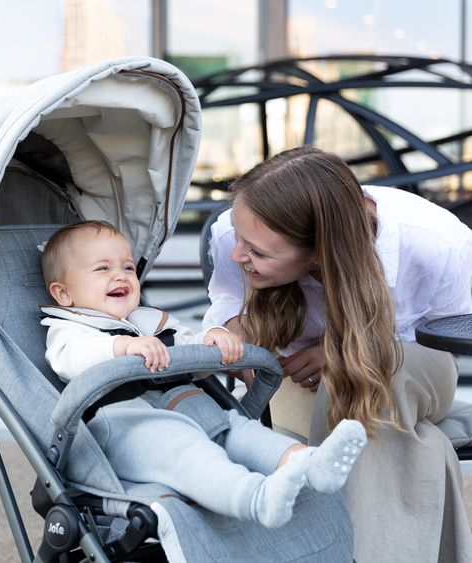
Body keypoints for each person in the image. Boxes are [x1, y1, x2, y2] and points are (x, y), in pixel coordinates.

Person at [203, 145, 472, 562]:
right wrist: (231, 332)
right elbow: (223, 302)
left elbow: (457, 335)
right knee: (421, 445)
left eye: (257, 252)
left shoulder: (433, 241)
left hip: (412, 370)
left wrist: (341, 350)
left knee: (369, 373)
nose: (239, 254)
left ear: (319, 251)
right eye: (240, 241)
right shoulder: (234, 232)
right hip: (300, 387)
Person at [39, 219, 367, 529]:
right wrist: (122, 349)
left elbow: (188, 355)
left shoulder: (151, 321)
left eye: (127, 267)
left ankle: (310, 463)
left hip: (191, 409)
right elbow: (70, 360)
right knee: (192, 456)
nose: (121, 275)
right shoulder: (70, 330)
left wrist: (212, 344)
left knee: (241, 432)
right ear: (64, 294)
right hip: (130, 429)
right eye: (103, 269)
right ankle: (254, 498)